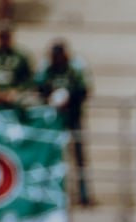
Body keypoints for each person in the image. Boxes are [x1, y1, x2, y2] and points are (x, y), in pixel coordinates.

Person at [35, 40, 90, 204]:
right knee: (49, 155)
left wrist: (68, 97)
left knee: (79, 157)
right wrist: (51, 97)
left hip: (72, 117)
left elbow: (84, 90)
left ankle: (83, 195)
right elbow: (39, 87)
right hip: (53, 119)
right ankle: (48, 193)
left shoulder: (75, 67)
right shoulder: (47, 68)